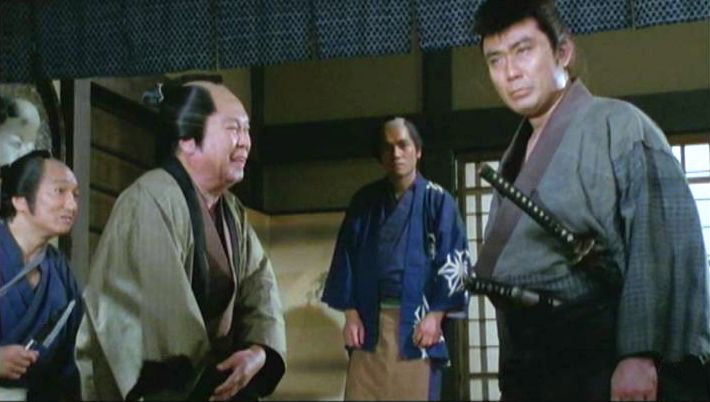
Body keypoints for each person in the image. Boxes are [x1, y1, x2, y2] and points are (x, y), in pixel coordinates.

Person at [471, 0, 710, 400]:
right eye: (495, 60)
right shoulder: (517, 153)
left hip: (600, 356)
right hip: (533, 361)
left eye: (523, 51)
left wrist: (639, 355)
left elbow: (660, 246)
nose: (510, 72)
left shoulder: (620, 126)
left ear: (563, 51)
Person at [75, 77, 286, 401]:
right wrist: (215, 376)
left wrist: (258, 351)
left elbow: (260, 287)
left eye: (246, 130)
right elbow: (160, 323)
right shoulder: (149, 200)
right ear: (187, 139)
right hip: (169, 387)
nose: (245, 142)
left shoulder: (232, 211)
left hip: (213, 380)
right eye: (233, 129)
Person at [321, 117, 470, 400]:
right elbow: (345, 258)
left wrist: (436, 316)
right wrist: (350, 315)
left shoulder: (438, 201)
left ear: (418, 150)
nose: (396, 154)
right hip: (369, 323)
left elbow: (454, 261)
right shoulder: (364, 202)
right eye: (388, 147)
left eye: (403, 145)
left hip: (417, 325)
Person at [0, 150, 83, 401]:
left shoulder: (61, 273)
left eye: (75, 195)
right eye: (60, 191)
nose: (72, 205)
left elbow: (72, 360)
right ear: (20, 200)